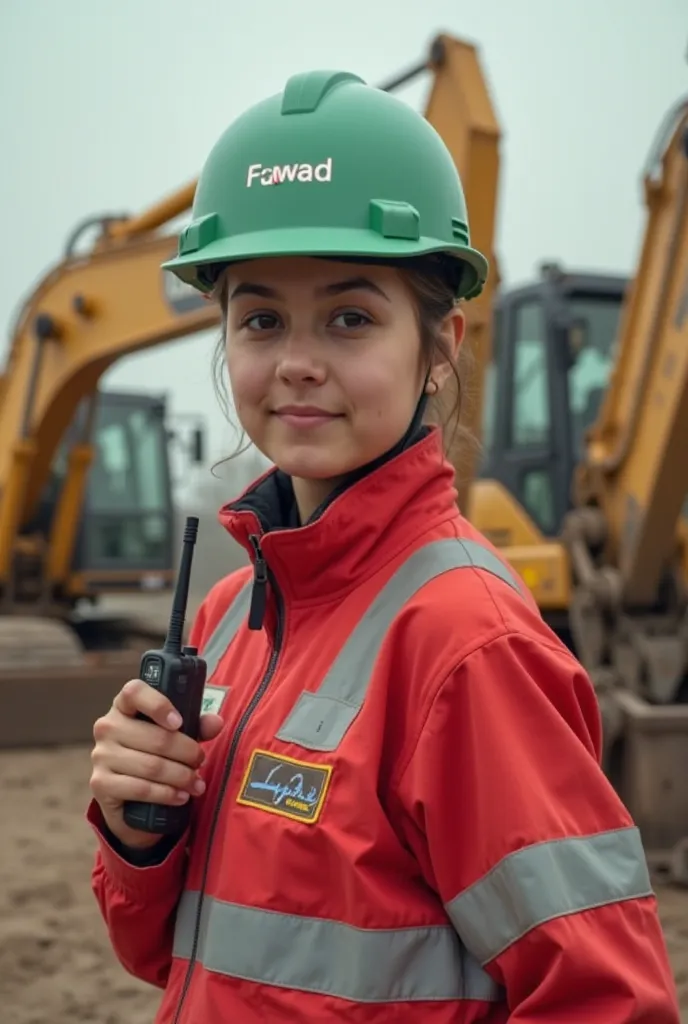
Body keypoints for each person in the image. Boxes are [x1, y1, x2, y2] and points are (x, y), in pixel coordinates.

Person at [87, 68, 681, 1023]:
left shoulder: (468, 646)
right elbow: (171, 954)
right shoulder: (228, 614)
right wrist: (139, 833)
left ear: (439, 345)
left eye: (351, 317)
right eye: (262, 319)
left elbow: (609, 1000)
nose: (297, 362)